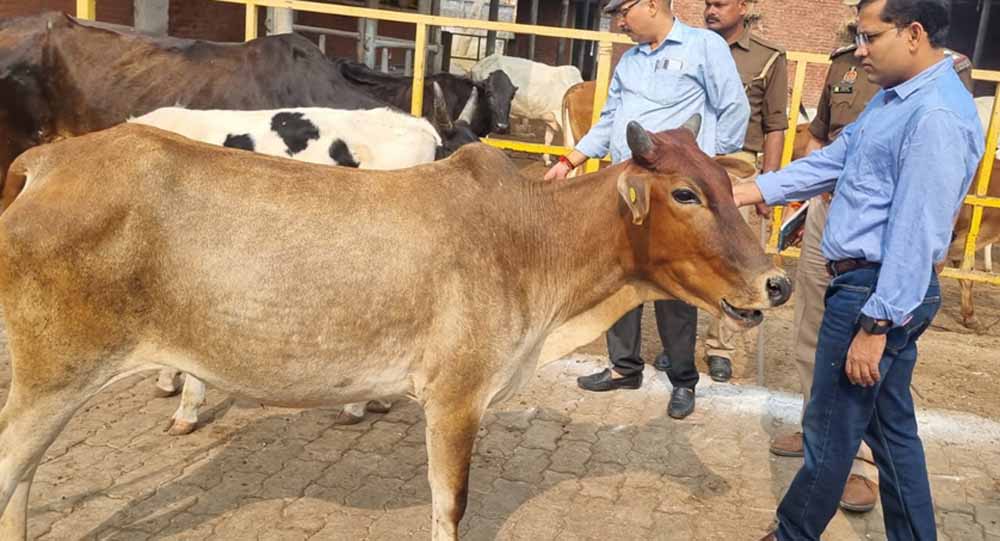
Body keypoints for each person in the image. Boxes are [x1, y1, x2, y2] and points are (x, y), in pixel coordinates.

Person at [738, 0, 985, 538]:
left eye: (871, 36)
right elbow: (835, 159)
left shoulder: (936, 113)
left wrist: (877, 325)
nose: (860, 49)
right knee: (892, 432)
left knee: (832, 435)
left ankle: (790, 534)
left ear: (914, 33)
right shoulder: (895, 101)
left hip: (875, 292)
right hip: (868, 285)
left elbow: (917, 230)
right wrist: (747, 189)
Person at [544, 0, 749, 419]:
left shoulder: (703, 46)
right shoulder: (629, 61)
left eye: (623, 12)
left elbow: (734, 109)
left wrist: (704, 173)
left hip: (675, 198)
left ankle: (683, 380)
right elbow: (610, 119)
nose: (620, 23)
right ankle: (624, 367)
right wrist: (571, 160)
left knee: (676, 285)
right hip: (630, 188)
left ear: (652, 4)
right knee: (619, 277)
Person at [702, 0, 788, 383]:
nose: (710, 10)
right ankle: (677, 345)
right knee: (681, 255)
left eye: (719, 3)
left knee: (736, 262)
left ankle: (721, 347)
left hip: (738, 170)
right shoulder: (690, 46)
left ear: (743, 6)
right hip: (691, 162)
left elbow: (775, 124)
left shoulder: (768, 58)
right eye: (707, 4)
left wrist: (767, 185)